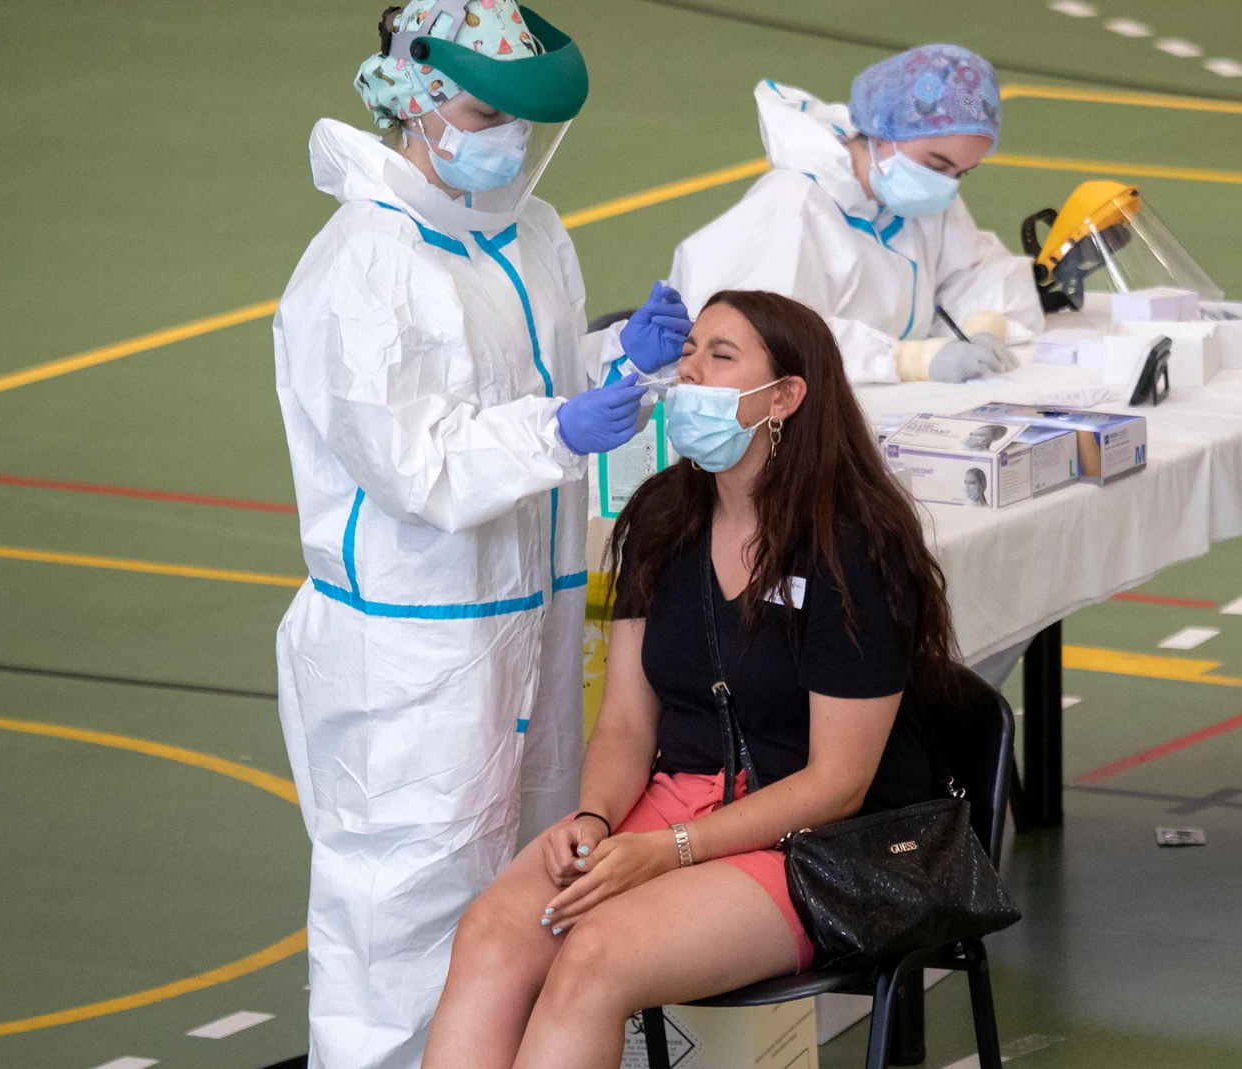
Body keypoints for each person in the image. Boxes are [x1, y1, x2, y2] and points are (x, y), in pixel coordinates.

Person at [272, 4, 693, 1066]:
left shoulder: (526, 228)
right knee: (407, 913)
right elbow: (418, 463)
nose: (506, 139)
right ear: (413, 101)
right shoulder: (362, 266)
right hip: (416, 647)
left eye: (519, 120)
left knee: (532, 887)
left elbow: (528, 388)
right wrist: (558, 426)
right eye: (483, 112)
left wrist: (614, 362)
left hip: (534, 620)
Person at [420, 291, 958, 1069]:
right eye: (691, 349)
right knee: (495, 929)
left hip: (822, 844)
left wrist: (672, 849)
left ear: (785, 397)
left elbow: (837, 783)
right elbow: (627, 726)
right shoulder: (660, 519)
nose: (688, 370)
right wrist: (598, 818)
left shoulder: (853, 551)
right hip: (680, 806)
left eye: (721, 355)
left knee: (595, 954)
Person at [630, 44, 1043, 385]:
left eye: (961, 173)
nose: (947, 186)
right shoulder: (794, 207)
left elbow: (978, 272)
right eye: (936, 166)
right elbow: (765, 345)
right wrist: (906, 361)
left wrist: (985, 325)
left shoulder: (921, 199)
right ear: (883, 134)